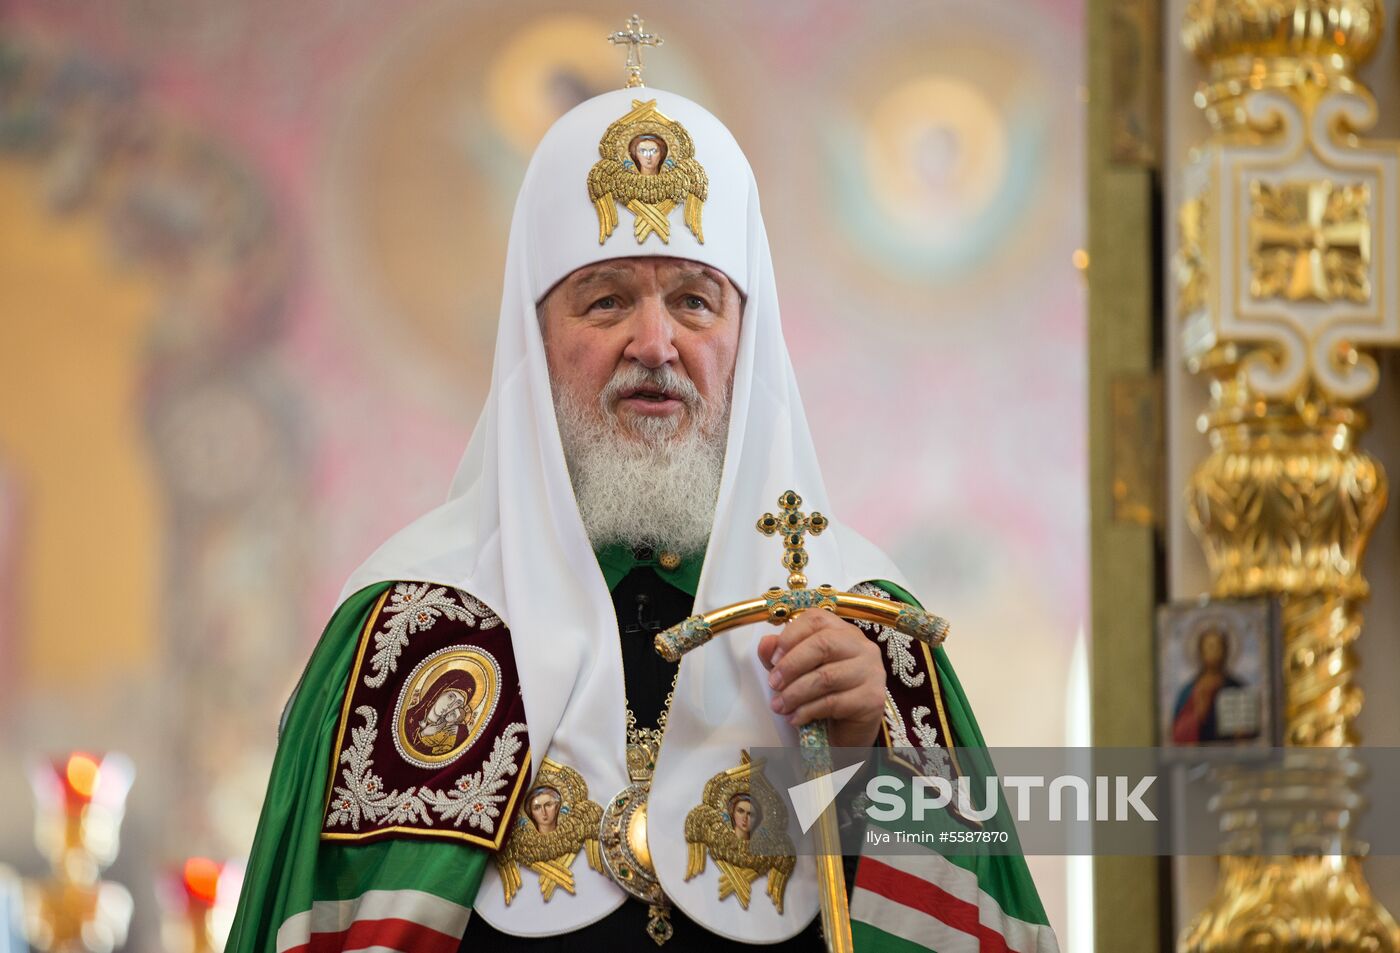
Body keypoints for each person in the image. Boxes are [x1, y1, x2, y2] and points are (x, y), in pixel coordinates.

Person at [228, 61, 1057, 953]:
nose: (655, 343)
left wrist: (862, 763)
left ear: (745, 340)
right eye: (608, 298)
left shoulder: (863, 626)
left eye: (695, 301)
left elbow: (969, 928)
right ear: (536, 338)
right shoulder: (403, 635)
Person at [1172, 628, 1248, 744]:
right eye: (1210, 647)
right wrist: (1197, 715)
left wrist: (1243, 732)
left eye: (1219, 646)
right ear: (1201, 652)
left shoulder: (1236, 686)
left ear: (1226, 650)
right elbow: (1178, 732)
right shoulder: (1190, 690)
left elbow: (1248, 727)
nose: (1215, 651)